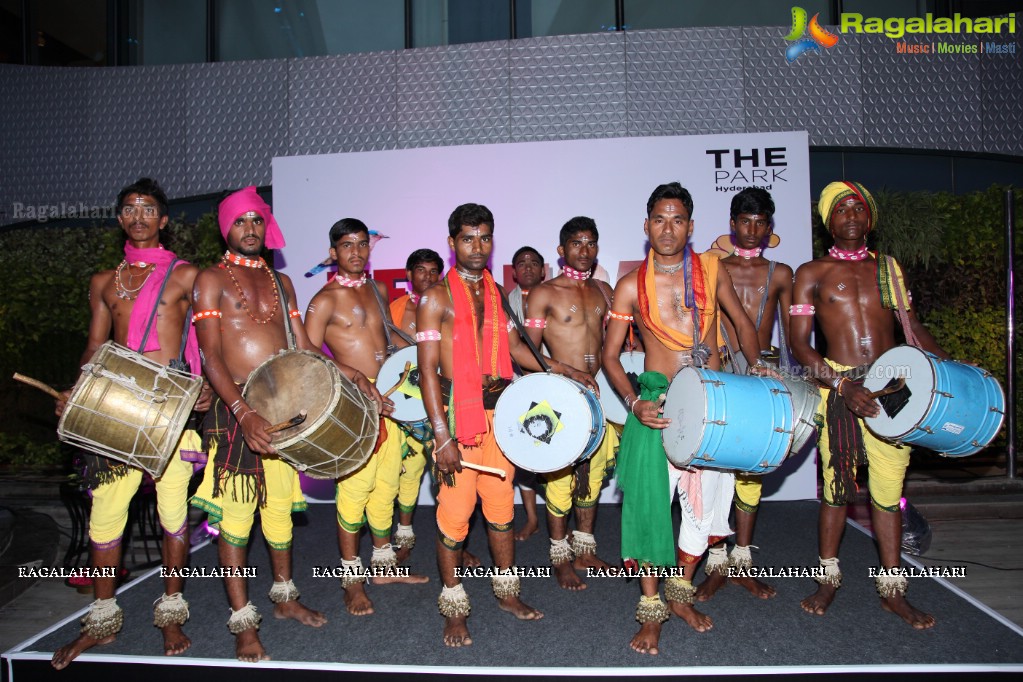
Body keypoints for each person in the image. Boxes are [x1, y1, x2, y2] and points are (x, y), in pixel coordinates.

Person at [190, 188, 384, 662]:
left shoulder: (282, 283)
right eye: (241, 222)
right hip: (237, 411)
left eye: (258, 221)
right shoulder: (210, 279)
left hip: (282, 413)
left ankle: (285, 598)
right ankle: (242, 624)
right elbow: (210, 355)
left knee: (279, 511)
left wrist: (351, 375)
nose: (251, 229)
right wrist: (242, 412)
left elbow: (304, 350)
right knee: (235, 518)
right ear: (226, 229)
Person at [602, 182, 770, 655]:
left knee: (705, 508)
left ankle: (681, 594)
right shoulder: (630, 286)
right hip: (657, 403)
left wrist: (756, 369)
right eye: (659, 219)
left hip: (714, 403)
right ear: (646, 225)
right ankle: (651, 611)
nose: (668, 228)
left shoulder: (713, 272)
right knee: (651, 508)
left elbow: (741, 324)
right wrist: (636, 403)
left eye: (677, 220)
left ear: (691, 226)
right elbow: (610, 356)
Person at [416, 203, 596, 647]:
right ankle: (454, 606)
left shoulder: (496, 292)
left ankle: (507, 593)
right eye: (467, 239)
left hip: (502, 414)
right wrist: (442, 437)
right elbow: (425, 371)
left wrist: (565, 372)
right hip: (459, 417)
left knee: (500, 509)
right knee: (455, 516)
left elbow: (518, 349)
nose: (477, 247)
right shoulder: (436, 297)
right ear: (452, 242)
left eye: (485, 238)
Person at [51, 178, 209, 670]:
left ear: (163, 220)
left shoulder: (188, 275)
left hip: (171, 407)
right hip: (117, 408)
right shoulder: (104, 281)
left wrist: (206, 384)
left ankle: (172, 614)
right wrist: (78, 391)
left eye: (148, 209)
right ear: (120, 218)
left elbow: (209, 339)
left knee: (172, 516)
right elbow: (96, 348)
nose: (138, 215)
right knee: (107, 514)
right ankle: (101, 622)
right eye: (129, 208)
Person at [791, 181, 947, 629]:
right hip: (838, 387)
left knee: (888, 492)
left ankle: (892, 590)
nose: (852, 216)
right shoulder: (811, 273)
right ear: (828, 222)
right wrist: (841, 385)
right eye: (842, 209)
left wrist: (950, 368)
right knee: (837, 489)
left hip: (892, 385)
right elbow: (801, 347)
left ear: (870, 217)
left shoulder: (889, 269)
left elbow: (911, 328)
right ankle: (827, 580)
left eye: (859, 208)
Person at [304, 219, 428, 618]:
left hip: (388, 399)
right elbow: (305, 354)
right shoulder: (324, 299)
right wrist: (356, 379)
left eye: (361, 244)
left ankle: (384, 566)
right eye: (346, 245)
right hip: (355, 402)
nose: (356, 252)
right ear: (333, 252)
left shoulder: (375, 290)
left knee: (386, 486)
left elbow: (387, 342)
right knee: (354, 493)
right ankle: (351, 582)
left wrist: (405, 373)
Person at [696, 187, 793, 602]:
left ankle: (741, 561)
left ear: (769, 227)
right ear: (732, 224)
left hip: (762, 372)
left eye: (760, 223)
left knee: (753, 471)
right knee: (716, 466)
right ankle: (715, 563)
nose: (752, 230)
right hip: (722, 372)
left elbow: (791, 335)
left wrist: (790, 380)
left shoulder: (783, 273)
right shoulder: (712, 267)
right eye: (745, 221)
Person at [521, 217, 617, 590]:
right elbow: (526, 354)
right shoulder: (543, 293)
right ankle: (560, 557)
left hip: (600, 394)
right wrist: (564, 370)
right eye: (576, 244)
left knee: (591, 477)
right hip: (560, 395)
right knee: (559, 479)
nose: (584, 251)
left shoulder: (605, 290)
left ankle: (586, 551)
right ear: (561, 250)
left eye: (591, 243)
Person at [387, 248, 444, 563]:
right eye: (421, 270)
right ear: (409, 275)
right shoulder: (395, 309)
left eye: (434, 271)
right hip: (406, 404)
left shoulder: (448, 307)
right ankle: (404, 536)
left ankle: (453, 541)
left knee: (447, 475)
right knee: (409, 473)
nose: (428, 277)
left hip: (442, 401)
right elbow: (386, 358)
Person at [506, 245, 546, 542]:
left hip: (557, 384)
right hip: (520, 385)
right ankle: (532, 518)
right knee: (526, 456)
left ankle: (561, 519)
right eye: (522, 263)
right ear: (514, 272)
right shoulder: (504, 304)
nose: (528, 267)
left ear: (544, 269)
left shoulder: (555, 295)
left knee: (561, 454)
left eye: (534, 262)